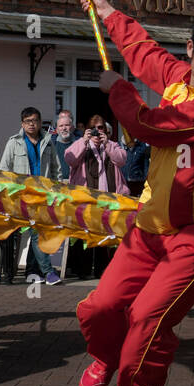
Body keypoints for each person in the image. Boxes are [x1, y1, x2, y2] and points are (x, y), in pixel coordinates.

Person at [73, 0, 194, 386]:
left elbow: (153, 127)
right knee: (98, 309)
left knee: (148, 319)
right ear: (191, 50)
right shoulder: (175, 76)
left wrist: (117, 91)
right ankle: (108, 354)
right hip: (150, 226)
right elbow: (142, 51)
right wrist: (110, 13)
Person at [0, 106, 62, 284]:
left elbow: (56, 169)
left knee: (39, 233)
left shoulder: (48, 141)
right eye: (28, 121)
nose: (31, 124)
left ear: (40, 122)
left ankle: (32, 273)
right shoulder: (14, 142)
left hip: (43, 195)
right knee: (37, 233)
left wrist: (55, 192)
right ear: (22, 124)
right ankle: (48, 272)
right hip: (22, 196)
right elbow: (4, 170)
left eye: (34, 121)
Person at [64, 116, 128, 279]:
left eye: (101, 128)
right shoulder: (81, 144)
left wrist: (107, 144)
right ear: (87, 130)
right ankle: (83, 270)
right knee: (85, 235)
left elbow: (121, 160)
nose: (97, 132)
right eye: (94, 128)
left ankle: (102, 270)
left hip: (108, 199)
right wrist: (83, 141)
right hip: (86, 199)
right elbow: (70, 159)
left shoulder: (112, 145)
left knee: (105, 235)